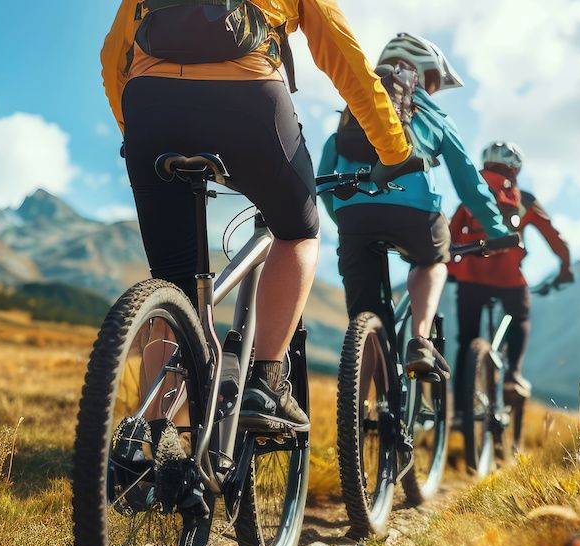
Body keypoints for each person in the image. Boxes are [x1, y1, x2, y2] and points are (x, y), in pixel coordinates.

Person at [101, 0, 417, 433]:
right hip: (247, 100)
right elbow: (344, 57)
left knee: (173, 283)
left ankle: (150, 441)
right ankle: (264, 382)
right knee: (299, 230)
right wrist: (394, 149)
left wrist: (133, 131)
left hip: (150, 107)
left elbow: (111, 58)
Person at [319, 33, 512, 377]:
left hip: (354, 214)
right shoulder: (432, 114)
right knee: (433, 261)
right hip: (416, 212)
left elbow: (326, 171)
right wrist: (496, 229)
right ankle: (420, 340)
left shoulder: (357, 104)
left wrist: (343, 219)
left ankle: (356, 416)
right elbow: (469, 182)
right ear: (422, 73)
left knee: (364, 331)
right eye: (434, 81)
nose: (433, 90)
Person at [448, 141, 573, 399]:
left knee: (466, 343)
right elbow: (554, 237)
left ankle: (461, 412)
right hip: (509, 279)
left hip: (470, 277)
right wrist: (565, 267)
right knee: (521, 317)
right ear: (515, 169)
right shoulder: (524, 200)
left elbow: (450, 236)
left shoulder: (472, 194)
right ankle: (513, 375)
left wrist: (450, 269)